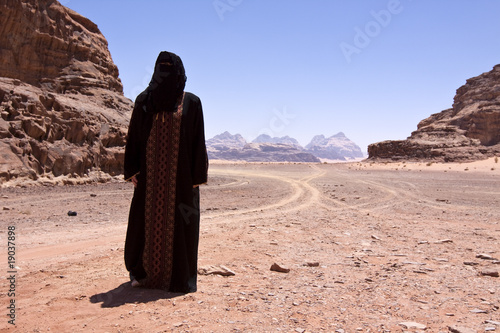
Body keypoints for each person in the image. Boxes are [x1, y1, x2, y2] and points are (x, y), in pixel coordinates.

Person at [123, 51, 208, 293]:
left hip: (181, 182)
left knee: (181, 227)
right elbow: (135, 137)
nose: (166, 72)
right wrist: (132, 171)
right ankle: (141, 273)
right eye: (162, 68)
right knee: (143, 225)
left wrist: (197, 178)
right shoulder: (144, 102)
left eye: (170, 68)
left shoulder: (192, 103)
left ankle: (179, 278)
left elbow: (197, 142)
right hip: (149, 180)